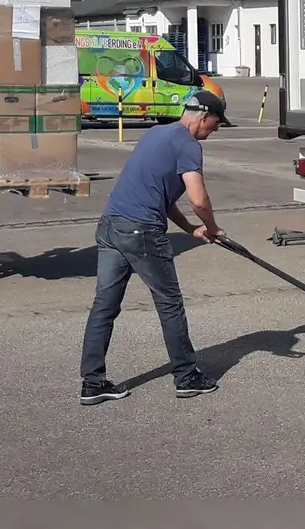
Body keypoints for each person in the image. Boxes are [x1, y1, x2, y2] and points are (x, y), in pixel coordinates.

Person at [78, 88, 235, 405]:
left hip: (110, 226)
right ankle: (187, 376)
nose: (214, 130)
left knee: (104, 306)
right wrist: (214, 228)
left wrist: (191, 229)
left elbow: (159, 197)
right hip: (141, 233)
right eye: (215, 124)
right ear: (203, 116)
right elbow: (198, 198)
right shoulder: (188, 145)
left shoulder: (156, 134)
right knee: (169, 303)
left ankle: (92, 383)